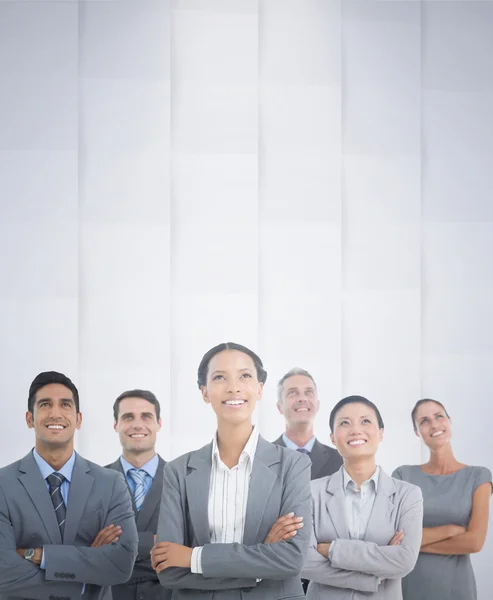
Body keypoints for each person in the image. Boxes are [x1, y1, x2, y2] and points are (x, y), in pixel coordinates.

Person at [150, 342, 312, 599]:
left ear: (259, 388)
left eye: (245, 376)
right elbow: (169, 571)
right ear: (204, 391)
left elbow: (293, 560)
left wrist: (193, 556)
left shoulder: (293, 465)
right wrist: (261, 559)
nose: (233, 386)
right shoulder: (178, 471)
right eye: (219, 377)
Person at [0, 371, 138, 600]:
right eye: (45, 404)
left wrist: (38, 556)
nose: (55, 413)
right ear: (29, 419)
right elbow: (3, 570)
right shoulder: (3, 484)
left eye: (65, 405)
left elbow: (122, 563)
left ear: (78, 419)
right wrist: (85, 576)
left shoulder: (111, 483)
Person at [302, 395, 423, 599]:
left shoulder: (407, 494)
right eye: (345, 423)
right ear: (332, 437)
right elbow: (304, 560)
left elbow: (404, 560)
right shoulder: (310, 492)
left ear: (381, 433)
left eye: (365, 421)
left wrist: (334, 550)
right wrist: (373, 575)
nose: (356, 430)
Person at [392, 398, 492, 600]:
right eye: (424, 421)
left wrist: (413, 544)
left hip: (457, 590)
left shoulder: (479, 476)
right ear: (417, 432)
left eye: (439, 416)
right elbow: (392, 536)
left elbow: (474, 542)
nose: (435, 424)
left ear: (449, 421)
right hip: (409, 589)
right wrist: (449, 531)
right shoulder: (403, 476)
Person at [106, 389, 170, 600]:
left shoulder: (182, 479)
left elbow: (190, 543)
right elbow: (88, 547)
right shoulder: (96, 481)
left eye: (146, 416)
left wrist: (120, 546)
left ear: (158, 423)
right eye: (128, 417)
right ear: (116, 425)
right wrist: (155, 542)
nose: (137, 424)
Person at [273, 368, 342, 480]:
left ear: (317, 405)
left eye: (308, 392)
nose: (302, 398)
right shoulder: (263, 458)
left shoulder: (339, 460)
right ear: (279, 407)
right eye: (293, 393)